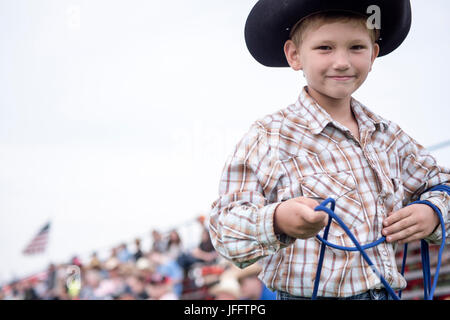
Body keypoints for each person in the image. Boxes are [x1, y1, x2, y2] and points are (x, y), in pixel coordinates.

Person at [209, 0, 449, 300]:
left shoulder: (388, 136)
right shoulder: (270, 136)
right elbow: (224, 227)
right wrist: (278, 219)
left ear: (373, 54)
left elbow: (443, 184)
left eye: (357, 48)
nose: (342, 61)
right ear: (295, 55)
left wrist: (434, 212)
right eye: (325, 48)